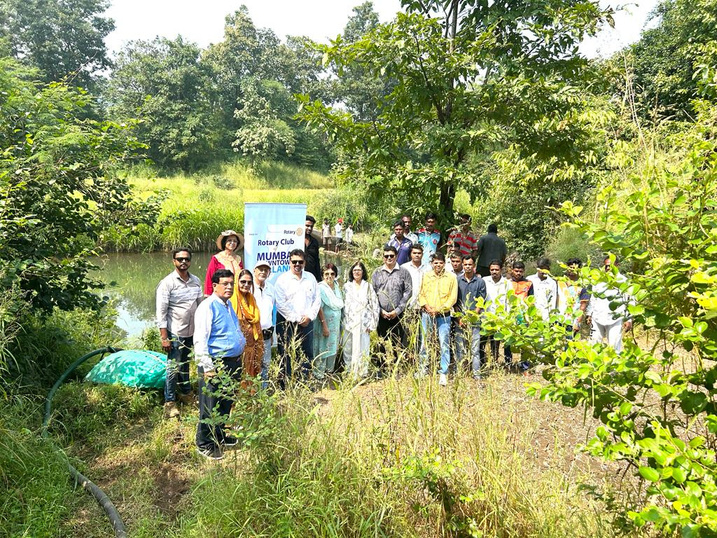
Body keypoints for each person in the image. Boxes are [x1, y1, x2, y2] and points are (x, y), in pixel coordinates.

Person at [194, 269, 246, 460]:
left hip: (232, 362)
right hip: (216, 363)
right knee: (211, 403)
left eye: (231, 284)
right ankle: (204, 442)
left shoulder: (227, 305)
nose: (229, 287)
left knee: (226, 401)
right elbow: (200, 339)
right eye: (225, 284)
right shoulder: (208, 306)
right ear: (214, 286)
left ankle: (219, 435)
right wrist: (208, 367)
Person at [156, 248, 203, 419]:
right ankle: (169, 402)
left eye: (186, 259)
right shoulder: (167, 283)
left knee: (185, 363)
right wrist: (164, 337)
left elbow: (201, 306)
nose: (183, 262)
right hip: (175, 332)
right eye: (180, 259)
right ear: (173, 261)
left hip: (192, 331)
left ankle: (185, 393)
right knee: (173, 367)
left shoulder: (196, 281)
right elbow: (161, 313)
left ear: (190, 261)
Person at [274, 249, 321, 387]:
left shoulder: (311, 278)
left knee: (307, 353)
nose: (297, 264)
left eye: (300, 262)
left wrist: (309, 317)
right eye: (294, 261)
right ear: (289, 262)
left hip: (307, 322)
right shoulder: (282, 280)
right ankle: (286, 385)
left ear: (304, 262)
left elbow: (317, 300)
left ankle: (304, 383)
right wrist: (297, 319)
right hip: (287, 323)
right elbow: (281, 304)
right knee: (286, 353)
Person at [417, 252, 458, 385]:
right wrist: (427, 307)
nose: (438, 265)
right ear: (431, 263)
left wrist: (439, 309)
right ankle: (423, 368)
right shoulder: (426, 275)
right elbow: (421, 293)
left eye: (440, 262)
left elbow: (453, 298)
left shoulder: (451, 277)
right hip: (427, 314)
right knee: (425, 342)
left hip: (444, 316)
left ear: (444, 264)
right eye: (435, 263)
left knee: (444, 343)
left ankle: (443, 372)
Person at [371, 245, 412, 374]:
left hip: (397, 314)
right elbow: (372, 292)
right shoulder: (377, 272)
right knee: (381, 341)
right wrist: (380, 310)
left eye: (391, 256)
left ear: (396, 257)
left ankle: (396, 368)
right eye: (386, 256)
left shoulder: (404, 272)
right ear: (383, 257)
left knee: (397, 341)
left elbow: (408, 292)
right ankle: (381, 369)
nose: (389, 258)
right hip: (381, 314)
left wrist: (398, 310)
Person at [586, 255, 633, 354]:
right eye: (606, 266)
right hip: (597, 316)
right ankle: (594, 368)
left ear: (617, 265)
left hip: (615, 318)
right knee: (594, 345)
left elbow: (629, 300)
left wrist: (628, 319)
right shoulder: (598, 280)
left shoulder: (623, 281)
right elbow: (593, 298)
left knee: (614, 347)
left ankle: (614, 369)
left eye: (610, 266)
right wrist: (589, 313)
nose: (608, 268)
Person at [342, 261, 379, 378]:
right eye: (354, 270)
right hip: (349, 322)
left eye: (359, 270)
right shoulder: (346, 286)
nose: (356, 272)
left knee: (363, 348)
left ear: (363, 272)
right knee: (348, 348)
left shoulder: (368, 286)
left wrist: (372, 324)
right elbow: (342, 304)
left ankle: (362, 373)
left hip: (364, 323)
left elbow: (374, 305)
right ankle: (349, 371)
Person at [455, 255, 486, 379]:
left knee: (475, 349)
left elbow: (481, 301)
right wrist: (460, 319)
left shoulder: (480, 282)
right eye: (465, 264)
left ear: (474, 266)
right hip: (460, 321)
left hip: (475, 320)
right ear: (462, 265)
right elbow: (455, 302)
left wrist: (472, 316)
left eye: (470, 264)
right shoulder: (457, 280)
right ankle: (460, 373)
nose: (468, 267)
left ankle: (476, 374)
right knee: (460, 349)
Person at [314, 263, 343, 380]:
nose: (329, 276)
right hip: (323, 324)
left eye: (332, 274)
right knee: (323, 347)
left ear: (335, 275)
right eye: (326, 274)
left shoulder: (337, 287)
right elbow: (319, 308)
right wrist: (324, 325)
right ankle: (319, 374)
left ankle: (329, 372)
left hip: (335, 325)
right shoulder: (320, 288)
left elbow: (340, 304)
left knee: (333, 348)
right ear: (322, 275)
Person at [235, 270, 263, 390]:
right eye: (243, 282)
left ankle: (250, 399)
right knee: (240, 374)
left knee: (251, 372)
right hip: (240, 347)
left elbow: (256, 321)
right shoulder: (233, 299)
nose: (246, 285)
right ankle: (240, 403)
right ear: (237, 282)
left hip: (252, 345)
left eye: (249, 282)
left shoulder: (251, 298)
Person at [204, 230, 244, 311]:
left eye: (235, 241)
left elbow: (241, 276)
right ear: (224, 242)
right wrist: (208, 296)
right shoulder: (216, 258)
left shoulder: (238, 259)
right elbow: (209, 277)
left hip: (237, 294)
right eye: (229, 240)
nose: (232, 243)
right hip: (221, 293)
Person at [481, 259, 511, 365]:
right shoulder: (484, 281)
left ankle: (495, 363)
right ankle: (482, 363)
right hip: (485, 318)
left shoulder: (507, 284)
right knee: (482, 342)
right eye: (492, 269)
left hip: (499, 319)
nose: (494, 272)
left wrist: (507, 318)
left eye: (496, 270)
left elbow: (509, 301)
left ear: (501, 270)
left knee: (496, 343)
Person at [506, 261, 534, 369]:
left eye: (520, 271)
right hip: (510, 314)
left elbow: (531, 300)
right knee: (508, 340)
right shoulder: (507, 283)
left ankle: (525, 365)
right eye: (516, 271)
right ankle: (508, 363)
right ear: (512, 270)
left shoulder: (529, 283)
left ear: (524, 271)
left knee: (525, 340)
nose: (518, 273)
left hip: (523, 316)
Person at [253, 261, 275, 390]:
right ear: (254, 271)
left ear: (269, 273)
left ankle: (264, 390)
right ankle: (252, 391)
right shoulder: (249, 287)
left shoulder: (271, 288)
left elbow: (271, 312)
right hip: (251, 334)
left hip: (266, 334)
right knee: (252, 363)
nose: (263, 272)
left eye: (265, 270)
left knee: (265, 363)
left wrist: (272, 333)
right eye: (260, 269)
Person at [557, 258, 589, 338]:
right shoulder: (559, 282)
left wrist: (577, 322)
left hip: (572, 321)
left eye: (574, 268)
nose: (571, 270)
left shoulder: (583, 285)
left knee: (570, 345)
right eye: (570, 268)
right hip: (558, 319)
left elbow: (583, 305)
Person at [304, 215, 322, 282]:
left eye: (311, 226)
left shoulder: (314, 242)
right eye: (307, 226)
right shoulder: (296, 240)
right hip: (299, 274)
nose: (309, 228)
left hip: (312, 275)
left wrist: (319, 278)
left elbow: (317, 260)